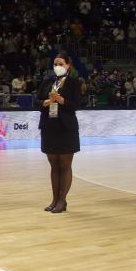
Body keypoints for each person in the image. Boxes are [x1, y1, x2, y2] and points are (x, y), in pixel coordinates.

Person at [37, 52, 81, 214]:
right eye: (55, 64)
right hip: (49, 126)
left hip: (66, 128)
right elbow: (36, 101)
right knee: (53, 165)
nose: (57, 67)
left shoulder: (74, 83)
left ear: (68, 65)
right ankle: (54, 199)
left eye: (61, 64)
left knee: (65, 165)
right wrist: (47, 101)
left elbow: (76, 105)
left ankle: (62, 200)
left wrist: (61, 100)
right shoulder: (47, 82)